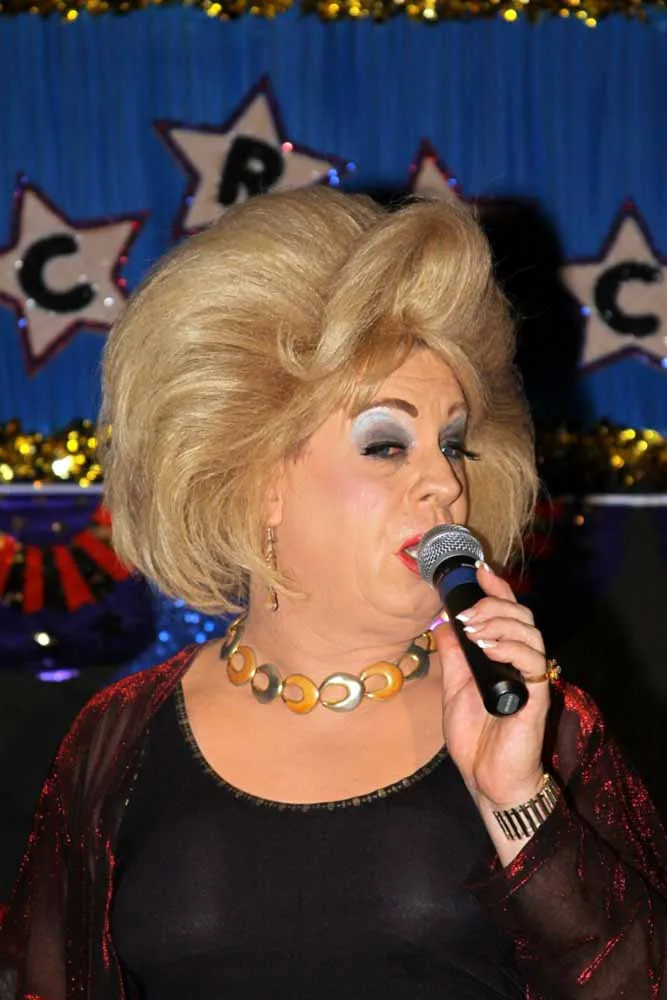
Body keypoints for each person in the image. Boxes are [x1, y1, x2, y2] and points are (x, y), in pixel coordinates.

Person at [1, 186, 667, 1000]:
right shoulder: (117, 741)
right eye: (386, 444)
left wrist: (516, 800)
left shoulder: (536, 722)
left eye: (453, 443)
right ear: (256, 478)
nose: (443, 481)